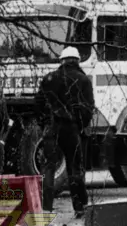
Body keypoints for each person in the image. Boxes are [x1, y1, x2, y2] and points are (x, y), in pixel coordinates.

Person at [37, 46, 94, 217]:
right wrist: (80, 124)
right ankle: (79, 207)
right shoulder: (83, 80)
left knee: (48, 168)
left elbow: (38, 104)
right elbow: (88, 109)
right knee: (74, 168)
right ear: (77, 60)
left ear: (62, 60)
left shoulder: (48, 79)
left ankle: (46, 207)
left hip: (51, 129)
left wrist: (45, 123)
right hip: (71, 128)